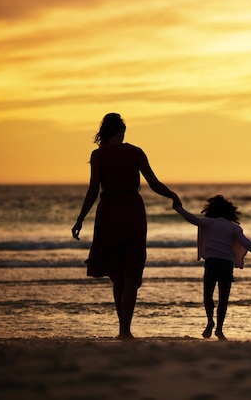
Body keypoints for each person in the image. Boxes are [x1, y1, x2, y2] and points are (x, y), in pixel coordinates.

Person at [71, 113, 181, 340]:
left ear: (104, 131)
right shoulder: (135, 152)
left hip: (109, 214)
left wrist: (81, 218)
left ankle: (122, 329)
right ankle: (125, 331)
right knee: (131, 274)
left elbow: (93, 190)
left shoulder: (98, 155)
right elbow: (153, 183)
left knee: (117, 275)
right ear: (121, 131)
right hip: (133, 214)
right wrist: (172, 195)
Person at [173, 195, 251, 341]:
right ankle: (219, 329)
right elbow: (248, 243)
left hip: (212, 262)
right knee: (223, 299)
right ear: (230, 212)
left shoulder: (209, 223)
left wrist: (178, 208)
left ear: (210, 209)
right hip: (226, 264)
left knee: (208, 295)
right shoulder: (234, 228)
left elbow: (192, 219)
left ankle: (210, 320)